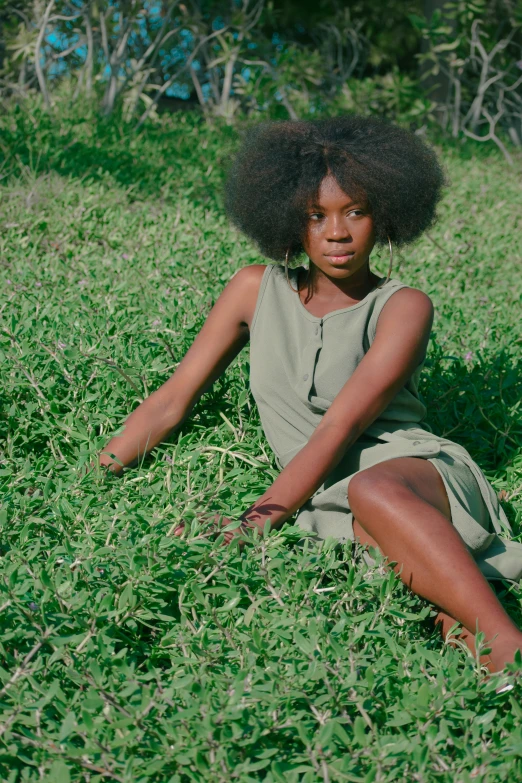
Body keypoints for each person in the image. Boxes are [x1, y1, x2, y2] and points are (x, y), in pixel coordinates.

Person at [98, 115, 522, 678]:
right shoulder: (254, 289)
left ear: (385, 214)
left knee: (373, 489)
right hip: (329, 495)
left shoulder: (403, 306)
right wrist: (98, 474)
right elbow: (172, 399)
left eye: (355, 211)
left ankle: (507, 646)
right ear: (288, 220)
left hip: (413, 473)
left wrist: (254, 523)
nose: (337, 233)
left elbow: (341, 426)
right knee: (431, 596)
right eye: (315, 216)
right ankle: (481, 651)